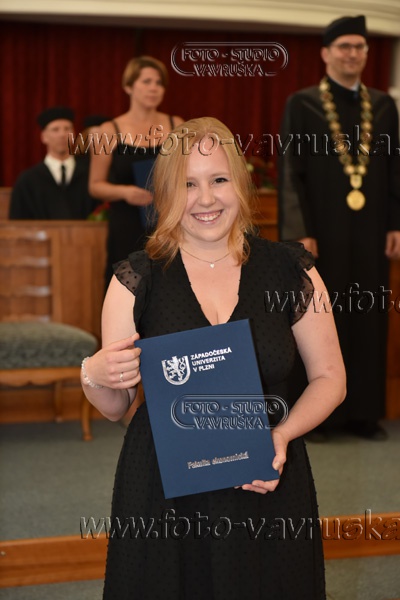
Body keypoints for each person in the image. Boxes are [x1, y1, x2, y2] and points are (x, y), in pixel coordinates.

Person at [81, 117, 346, 599]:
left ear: (240, 183)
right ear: (166, 192)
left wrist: (281, 435)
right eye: (187, 184)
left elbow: (330, 378)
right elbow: (118, 407)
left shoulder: (291, 270)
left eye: (219, 179)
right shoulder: (135, 278)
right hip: (164, 486)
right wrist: (93, 374)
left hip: (267, 473)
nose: (205, 199)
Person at [278, 15, 400, 441]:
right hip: (320, 231)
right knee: (316, 316)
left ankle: (363, 414)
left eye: (359, 47)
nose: (352, 54)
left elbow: (395, 169)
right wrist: (299, 229)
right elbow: (290, 169)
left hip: (371, 230)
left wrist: (396, 223)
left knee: (368, 316)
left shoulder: (383, 106)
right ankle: (317, 417)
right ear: (326, 53)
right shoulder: (303, 103)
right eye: (344, 46)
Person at [88, 55, 184, 284]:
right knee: (128, 291)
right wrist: (125, 192)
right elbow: (95, 186)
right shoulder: (108, 130)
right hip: (127, 226)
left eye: (159, 83)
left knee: (171, 289)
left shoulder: (177, 125)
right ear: (128, 86)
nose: (154, 88)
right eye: (146, 81)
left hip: (168, 224)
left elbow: (187, 173)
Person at [9, 106, 98, 219]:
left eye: (67, 129)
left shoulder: (91, 175)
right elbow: (18, 220)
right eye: (55, 130)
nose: (62, 134)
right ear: (44, 137)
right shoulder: (28, 180)